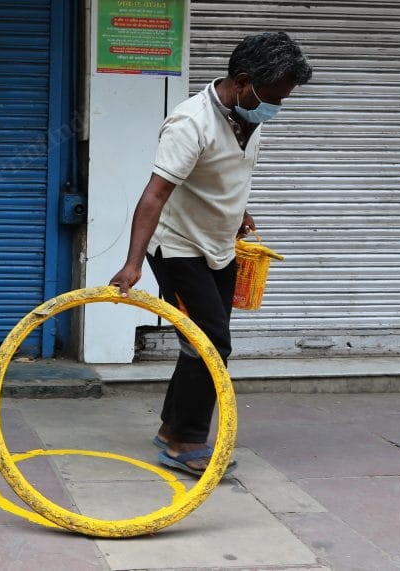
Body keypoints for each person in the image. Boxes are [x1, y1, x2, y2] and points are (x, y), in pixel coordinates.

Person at [109, 31, 312, 476]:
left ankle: (170, 427)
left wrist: (240, 213)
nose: (277, 106)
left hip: (220, 247)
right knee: (211, 343)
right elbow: (155, 194)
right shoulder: (191, 123)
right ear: (243, 82)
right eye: (274, 96)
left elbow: (224, 175)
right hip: (179, 249)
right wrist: (133, 263)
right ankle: (185, 441)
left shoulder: (247, 117)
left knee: (200, 342)